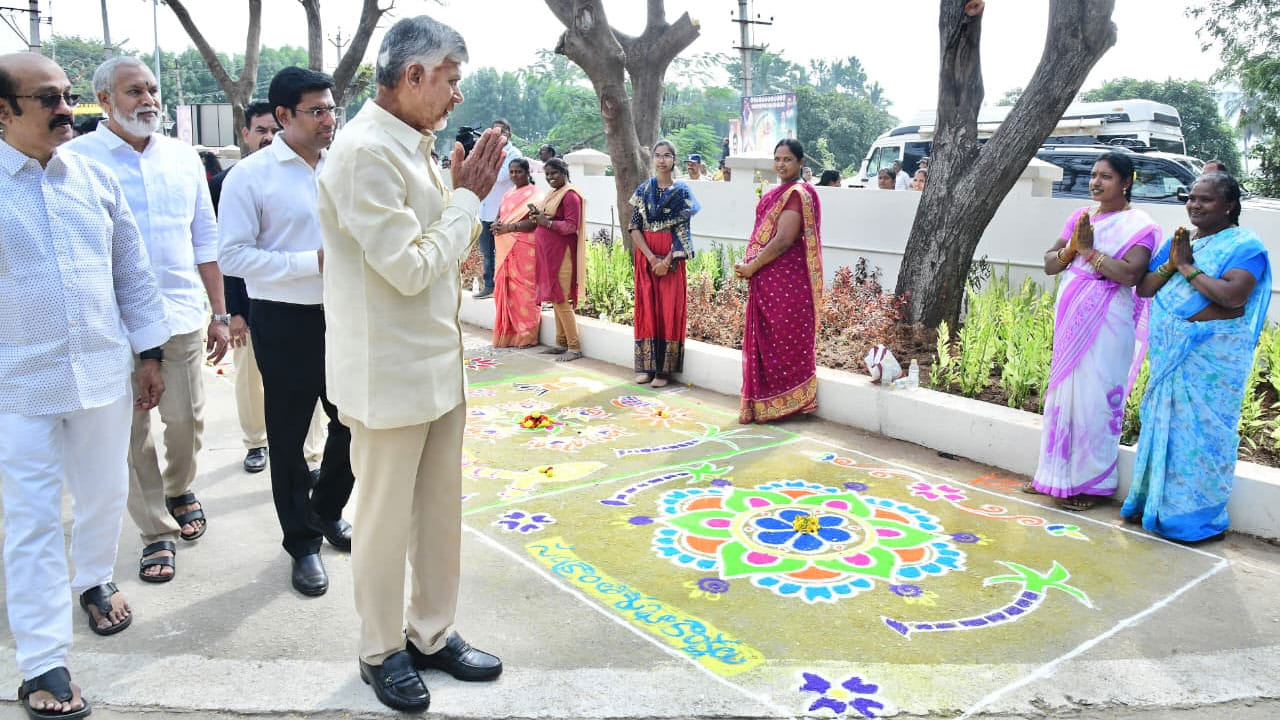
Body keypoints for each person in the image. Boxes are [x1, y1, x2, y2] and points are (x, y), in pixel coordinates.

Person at [317, 15, 506, 713]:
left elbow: (433, 246)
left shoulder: (414, 145)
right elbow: (410, 266)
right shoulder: (366, 151)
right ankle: (379, 650)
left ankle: (430, 633)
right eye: (450, 80)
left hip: (433, 365)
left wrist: (457, 194)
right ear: (414, 75)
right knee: (384, 519)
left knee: (436, 512)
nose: (456, 96)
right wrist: (467, 201)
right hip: (387, 373)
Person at [0, 52, 168, 720]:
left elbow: (132, 270)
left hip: (101, 371)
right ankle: (43, 660)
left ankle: (95, 580)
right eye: (47, 98)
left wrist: (149, 352)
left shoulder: (94, 178)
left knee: (104, 495)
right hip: (16, 387)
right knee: (33, 521)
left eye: (67, 94)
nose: (66, 107)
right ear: (3, 110)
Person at [65, 56, 227, 583]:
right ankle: (156, 531)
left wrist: (220, 314)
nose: (148, 100)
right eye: (134, 91)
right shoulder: (76, 160)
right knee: (130, 434)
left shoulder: (184, 158)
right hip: (109, 324)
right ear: (105, 101)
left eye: (152, 90)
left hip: (178, 315)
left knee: (184, 422)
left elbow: (206, 239)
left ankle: (180, 488)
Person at [218, 67, 356, 596]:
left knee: (353, 422)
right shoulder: (251, 176)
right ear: (282, 116)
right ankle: (300, 542)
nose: (328, 120)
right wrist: (310, 262)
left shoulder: (343, 165)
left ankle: (324, 509)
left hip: (344, 317)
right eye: (316, 111)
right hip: (284, 320)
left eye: (331, 110)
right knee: (289, 435)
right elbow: (232, 253)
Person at [1123, 172, 1271, 542]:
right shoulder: (1183, 241)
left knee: (1202, 439)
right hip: (1170, 359)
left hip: (1210, 365)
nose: (1194, 205)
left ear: (1229, 206)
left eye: (1205, 199)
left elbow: (1232, 296)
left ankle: (1196, 520)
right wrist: (1172, 263)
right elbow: (1145, 287)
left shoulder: (1246, 246)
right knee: (1164, 429)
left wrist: (1187, 266)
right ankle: (1153, 505)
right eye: (1191, 198)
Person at [1029, 152, 1158, 511]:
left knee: (1097, 398)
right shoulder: (1080, 216)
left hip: (1108, 318)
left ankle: (1092, 484)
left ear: (1126, 182)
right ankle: (1054, 475)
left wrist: (1089, 250)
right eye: (1093, 175)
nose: (1096, 182)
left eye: (1106, 176)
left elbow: (1131, 275)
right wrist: (1073, 248)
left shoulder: (1140, 224)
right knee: (1064, 395)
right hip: (1071, 315)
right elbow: (1050, 264)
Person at [734, 138, 823, 424]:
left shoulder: (797, 193)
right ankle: (766, 404)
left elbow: (784, 239)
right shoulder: (778, 192)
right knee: (768, 342)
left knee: (786, 339)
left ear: (800, 163)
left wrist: (752, 266)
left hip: (788, 283)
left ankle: (790, 403)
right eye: (777, 159)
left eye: (787, 159)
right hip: (768, 281)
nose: (781, 164)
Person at [629, 140, 701, 387]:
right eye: (658, 155)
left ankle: (663, 371)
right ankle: (647, 367)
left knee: (668, 310)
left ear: (674, 160)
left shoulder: (682, 193)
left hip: (671, 257)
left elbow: (683, 232)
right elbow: (634, 227)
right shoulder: (643, 190)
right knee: (646, 309)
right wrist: (651, 257)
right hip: (646, 256)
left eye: (667, 155)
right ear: (653, 160)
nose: (662, 160)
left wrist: (666, 260)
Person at [532, 157, 587, 362]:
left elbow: (571, 226)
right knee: (555, 298)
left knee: (562, 298)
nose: (550, 178)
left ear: (564, 172)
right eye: (547, 174)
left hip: (563, 255)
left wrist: (546, 223)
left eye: (554, 173)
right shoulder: (553, 194)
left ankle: (574, 347)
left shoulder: (571, 195)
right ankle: (561, 342)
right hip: (549, 255)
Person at [491, 157, 544, 348]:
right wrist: (497, 225)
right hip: (505, 248)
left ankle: (526, 335)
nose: (514, 175)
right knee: (505, 290)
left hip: (524, 248)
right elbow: (499, 216)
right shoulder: (508, 194)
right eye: (512, 172)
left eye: (518, 172)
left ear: (528, 172)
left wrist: (510, 228)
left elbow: (534, 221)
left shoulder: (536, 194)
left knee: (525, 291)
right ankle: (509, 335)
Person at [473, 117, 522, 300]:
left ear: (508, 134)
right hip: (485, 210)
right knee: (487, 252)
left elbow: (500, 176)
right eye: (494, 132)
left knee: (505, 251)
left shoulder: (513, 154)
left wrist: (484, 165)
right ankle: (489, 286)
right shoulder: (489, 151)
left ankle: (506, 287)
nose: (497, 135)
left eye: (500, 132)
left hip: (504, 212)